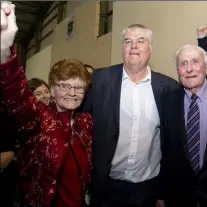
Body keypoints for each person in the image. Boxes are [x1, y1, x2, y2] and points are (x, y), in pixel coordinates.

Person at [0, 3, 92, 207]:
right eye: (65, 86)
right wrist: (5, 52)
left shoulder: (85, 122)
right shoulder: (39, 117)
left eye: (79, 87)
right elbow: (17, 97)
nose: (72, 93)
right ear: (52, 87)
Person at [82, 24, 179, 207]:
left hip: (147, 189)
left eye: (140, 41)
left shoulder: (168, 88)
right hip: (105, 185)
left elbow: (172, 144)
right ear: (122, 48)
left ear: (150, 49)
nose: (133, 46)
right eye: (128, 41)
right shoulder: (99, 80)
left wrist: (163, 191)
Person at [159, 44, 207, 207]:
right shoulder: (168, 101)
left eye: (195, 62)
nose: (189, 69)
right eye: (183, 64)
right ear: (178, 70)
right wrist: (162, 194)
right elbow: (165, 151)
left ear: (206, 68)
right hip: (180, 197)